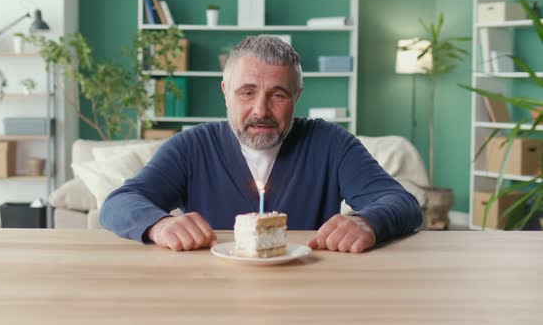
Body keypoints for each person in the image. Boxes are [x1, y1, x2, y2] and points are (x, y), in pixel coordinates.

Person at [100, 35, 422, 253]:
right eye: (247, 92)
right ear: (225, 92)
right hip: (210, 292)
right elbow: (120, 202)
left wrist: (367, 222)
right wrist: (159, 225)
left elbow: (401, 202)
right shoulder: (191, 146)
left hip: (309, 291)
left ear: (297, 96)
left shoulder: (331, 144)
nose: (261, 110)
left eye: (278, 95)